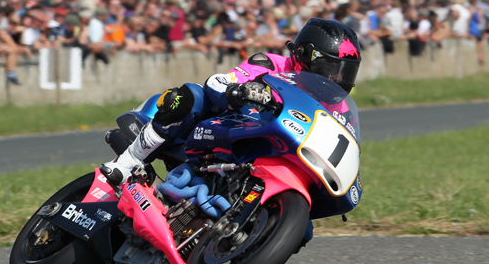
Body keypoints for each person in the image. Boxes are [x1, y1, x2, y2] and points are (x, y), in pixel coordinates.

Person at [101, 18, 363, 186]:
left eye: (344, 72)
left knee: (304, 231)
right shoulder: (269, 64)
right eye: (330, 68)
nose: (335, 79)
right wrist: (242, 91)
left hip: (270, 153)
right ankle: (127, 162)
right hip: (224, 131)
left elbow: (345, 147)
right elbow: (219, 82)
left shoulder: (340, 108)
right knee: (193, 94)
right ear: (303, 54)